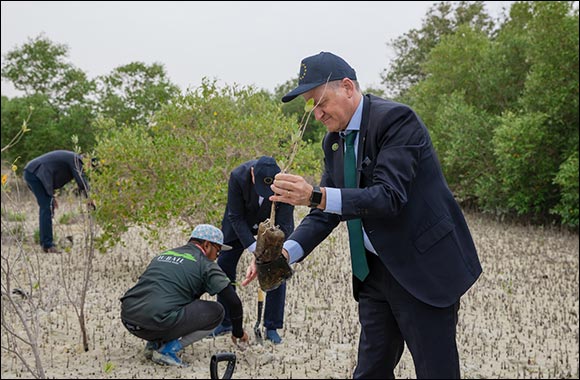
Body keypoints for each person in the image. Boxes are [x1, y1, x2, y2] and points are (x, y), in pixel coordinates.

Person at [242, 51, 482, 378]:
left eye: (320, 101)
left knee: (435, 371)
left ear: (347, 87)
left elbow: (388, 197)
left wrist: (314, 195)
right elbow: (325, 213)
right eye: (311, 106)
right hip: (373, 274)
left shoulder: (397, 121)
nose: (317, 113)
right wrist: (283, 254)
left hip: (421, 270)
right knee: (369, 371)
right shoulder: (334, 144)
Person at [120, 224, 249, 367]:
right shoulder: (206, 265)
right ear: (207, 245)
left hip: (128, 319)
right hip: (156, 322)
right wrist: (238, 332)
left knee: (170, 300)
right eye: (217, 252)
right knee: (216, 312)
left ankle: (154, 344)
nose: (216, 257)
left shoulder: (164, 255)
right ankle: (167, 350)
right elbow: (234, 302)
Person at [214, 156, 295, 344]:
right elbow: (235, 216)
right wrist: (254, 249)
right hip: (237, 225)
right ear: (252, 173)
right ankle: (225, 320)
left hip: (271, 229)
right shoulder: (237, 176)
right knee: (224, 264)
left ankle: (272, 326)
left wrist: (266, 255)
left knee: (276, 268)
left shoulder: (285, 184)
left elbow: (285, 224)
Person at [23, 150, 95, 253]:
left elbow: (51, 170)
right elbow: (81, 181)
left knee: (48, 206)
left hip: (33, 172)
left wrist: (51, 196)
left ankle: (46, 243)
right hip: (35, 173)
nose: (87, 170)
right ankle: (47, 245)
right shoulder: (76, 160)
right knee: (46, 207)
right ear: (87, 161)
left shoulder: (73, 158)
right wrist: (90, 198)